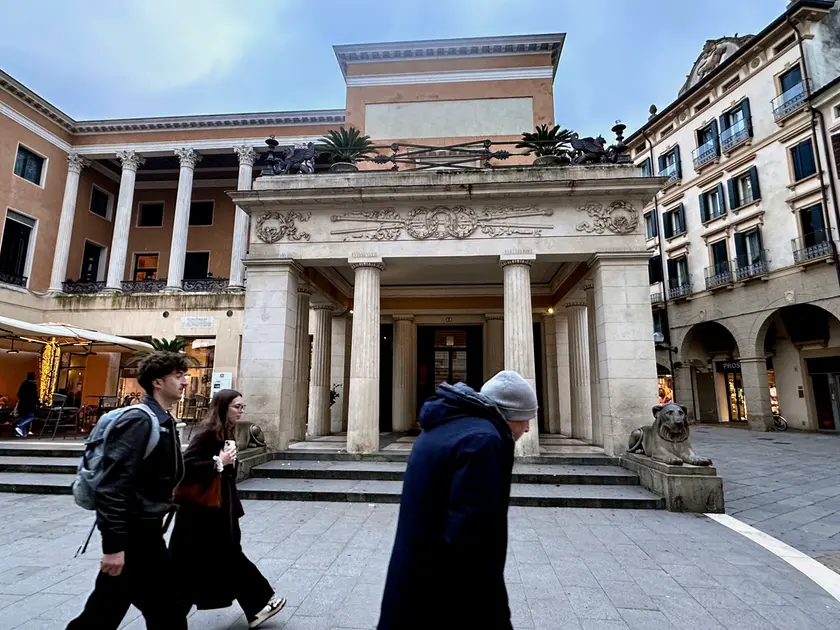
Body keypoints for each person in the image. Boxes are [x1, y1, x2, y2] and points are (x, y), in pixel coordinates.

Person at [378, 370, 538, 630]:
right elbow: (473, 540)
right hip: (443, 598)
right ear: (508, 414)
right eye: (525, 418)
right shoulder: (482, 441)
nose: (528, 427)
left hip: (416, 582)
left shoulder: (447, 427)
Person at [66, 351, 188, 630]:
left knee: (116, 611)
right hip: (135, 536)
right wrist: (113, 547)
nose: (184, 382)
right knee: (161, 612)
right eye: (178, 376)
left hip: (144, 533)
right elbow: (112, 486)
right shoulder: (140, 421)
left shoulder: (161, 420)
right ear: (158, 382)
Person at [169, 389, 286, 629]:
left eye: (242, 407)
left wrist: (226, 464)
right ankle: (259, 604)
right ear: (223, 407)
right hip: (203, 512)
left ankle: (256, 607)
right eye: (237, 406)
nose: (241, 411)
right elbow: (187, 466)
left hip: (219, 509)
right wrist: (218, 462)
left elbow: (226, 474)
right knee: (225, 558)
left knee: (210, 562)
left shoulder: (225, 432)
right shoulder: (208, 433)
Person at [14, 372, 38, 437]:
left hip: (22, 404)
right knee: (31, 417)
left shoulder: (23, 384)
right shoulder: (33, 385)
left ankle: (22, 432)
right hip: (30, 404)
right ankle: (20, 426)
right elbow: (34, 396)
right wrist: (38, 403)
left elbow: (19, 394)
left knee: (24, 417)